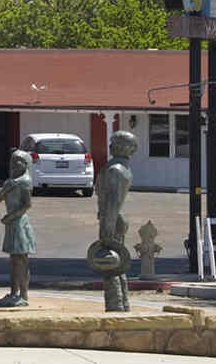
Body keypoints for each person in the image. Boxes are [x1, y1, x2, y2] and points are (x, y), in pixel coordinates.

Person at [96, 130, 137, 312]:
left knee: (109, 263)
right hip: (115, 217)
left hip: (112, 218)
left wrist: (106, 230)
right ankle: (122, 303)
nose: (111, 146)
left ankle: (115, 304)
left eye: (115, 143)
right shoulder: (123, 168)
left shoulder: (115, 170)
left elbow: (112, 203)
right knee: (117, 265)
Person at [0, 148, 36, 306]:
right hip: (11, 223)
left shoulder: (25, 182)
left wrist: (10, 217)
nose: (15, 164)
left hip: (19, 222)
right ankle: (13, 292)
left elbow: (27, 205)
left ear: (26, 164)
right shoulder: (10, 182)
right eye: (13, 160)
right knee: (13, 260)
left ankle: (23, 295)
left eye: (19, 161)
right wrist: (5, 188)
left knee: (21, 260)